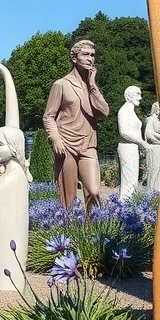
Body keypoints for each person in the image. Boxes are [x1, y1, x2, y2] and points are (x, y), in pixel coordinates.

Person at [43, 39, 109, 217]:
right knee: (68, 196)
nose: (90, 59)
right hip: (66, 144)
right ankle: (71, 235)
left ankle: (92, 234)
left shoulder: (91, 87)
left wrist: (93, 85)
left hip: (88, 144)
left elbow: (104, 112)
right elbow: (49, 116)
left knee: (94, 191)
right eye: (86, 54)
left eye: (93, 55)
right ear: (74, 58)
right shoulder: (61, 84)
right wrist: (55, 138)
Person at [0, 126, 32, 290]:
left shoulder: (15, 177)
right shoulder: (10, 174)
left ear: (13, 147)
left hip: (8, 239)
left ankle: (10, 282)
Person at [117, 86, 149, 200]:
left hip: (132, 148)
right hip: (127, 147)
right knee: (128, 180)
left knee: (132, 179)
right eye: (138, 94)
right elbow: (124, 131)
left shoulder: (130, 111)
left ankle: (129, 205)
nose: (140, 98)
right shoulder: (124, 111)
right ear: (130, 96)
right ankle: (125, 205)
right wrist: (141, 142)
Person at [144, 101, 160, 193]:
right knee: (154, 170)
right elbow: (149, 135)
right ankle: (152, 192)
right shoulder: (150, 119)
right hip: (154, 148)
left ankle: (158, 192)